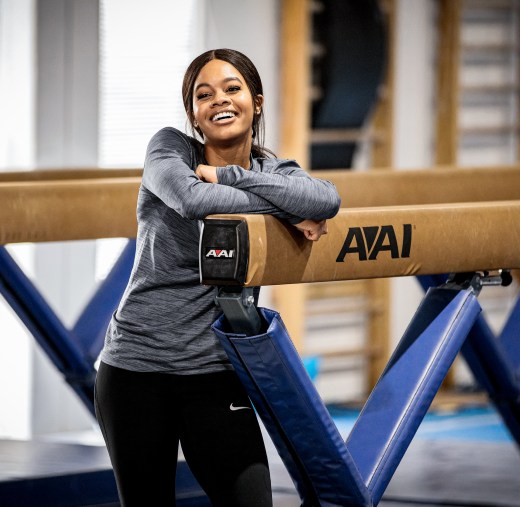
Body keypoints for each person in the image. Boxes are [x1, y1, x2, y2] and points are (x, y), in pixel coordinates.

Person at [94, 48, 341, 506]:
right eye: (203, 95)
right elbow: (193, 201)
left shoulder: (274, 170)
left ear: (257, 101)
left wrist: (226, 175)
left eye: (232, 88)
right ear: (193, 113)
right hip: (136, 369)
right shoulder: (169, 149)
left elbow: (325, 200)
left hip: (216, 370)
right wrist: (289, 210)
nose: (219, 100)